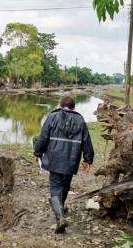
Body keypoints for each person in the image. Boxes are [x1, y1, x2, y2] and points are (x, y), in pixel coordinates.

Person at [33, 96, 94, 233]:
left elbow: (43, 137)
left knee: (55, 186)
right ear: (74, 108)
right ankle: (61, 206)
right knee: (66, 183)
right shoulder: (80, 120)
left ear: (60, 106)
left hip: (54, 159)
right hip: (72, 159)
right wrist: (87, 160)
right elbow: (86, 141)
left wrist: (38, 153)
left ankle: (60, 218)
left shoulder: (52, 117)